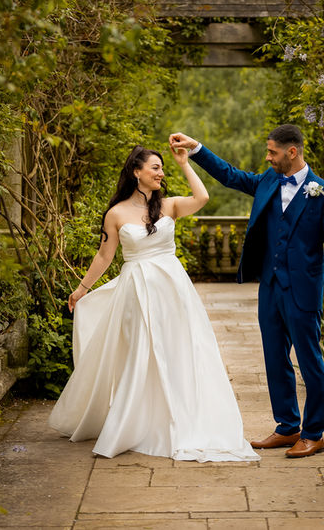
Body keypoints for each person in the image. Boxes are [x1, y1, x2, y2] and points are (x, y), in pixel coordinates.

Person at [49, 144, 259, 462]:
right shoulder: (116, 213)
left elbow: (202, 198)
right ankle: (133, 421)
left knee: (176, 349)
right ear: (136, 172)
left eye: (162, 168)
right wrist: (82, 289)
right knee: (138, 353)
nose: (161, 173)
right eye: (155, 168)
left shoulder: (170, 206)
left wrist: (184, 163)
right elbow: (105, 255)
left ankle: (178, 414)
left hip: (172, 289)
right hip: (135, 289)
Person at [169, 125, 324, 458]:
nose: (268, 157)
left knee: (310, 364)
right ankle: (287, 427)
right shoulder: (268, 180)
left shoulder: (323, 193)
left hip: (304, 291)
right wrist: (197, 149)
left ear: (291, 152)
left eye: (272, 152)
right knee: (274, 359)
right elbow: (231, 176)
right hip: (271, 287)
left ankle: (314, 433)